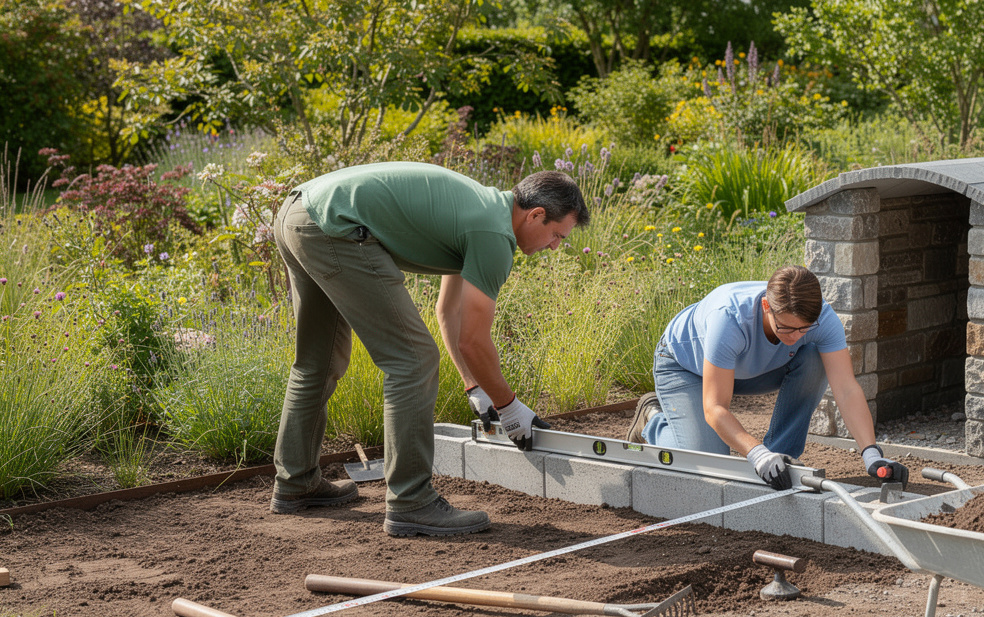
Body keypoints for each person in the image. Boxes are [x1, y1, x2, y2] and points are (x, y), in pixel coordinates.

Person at [270, 162, 588, 536]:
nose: (553, 247)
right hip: (334, 225)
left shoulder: (479, 210)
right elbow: (473, 339)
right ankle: (411, 501)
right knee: (412, 360)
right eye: (557, 236)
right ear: (535, 215)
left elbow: (448, 310)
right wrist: (509, 407)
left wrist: (476, 387)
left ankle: (296, 481)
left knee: (318, 361)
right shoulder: (493, 234)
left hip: (298, 213)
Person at [627, 265, 908, 490]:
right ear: (765, 306)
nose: (796, 336)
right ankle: (653, 420)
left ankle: (781, 458)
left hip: (749, 370)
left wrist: (871, 452)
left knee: (815, 358)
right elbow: (715, 408)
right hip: (687, 367)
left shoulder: (822, 319)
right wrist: (755, 453)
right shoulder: (729, 319)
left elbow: (846, 389)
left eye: (804, 329)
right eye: (786, 328)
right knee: (708, 466)